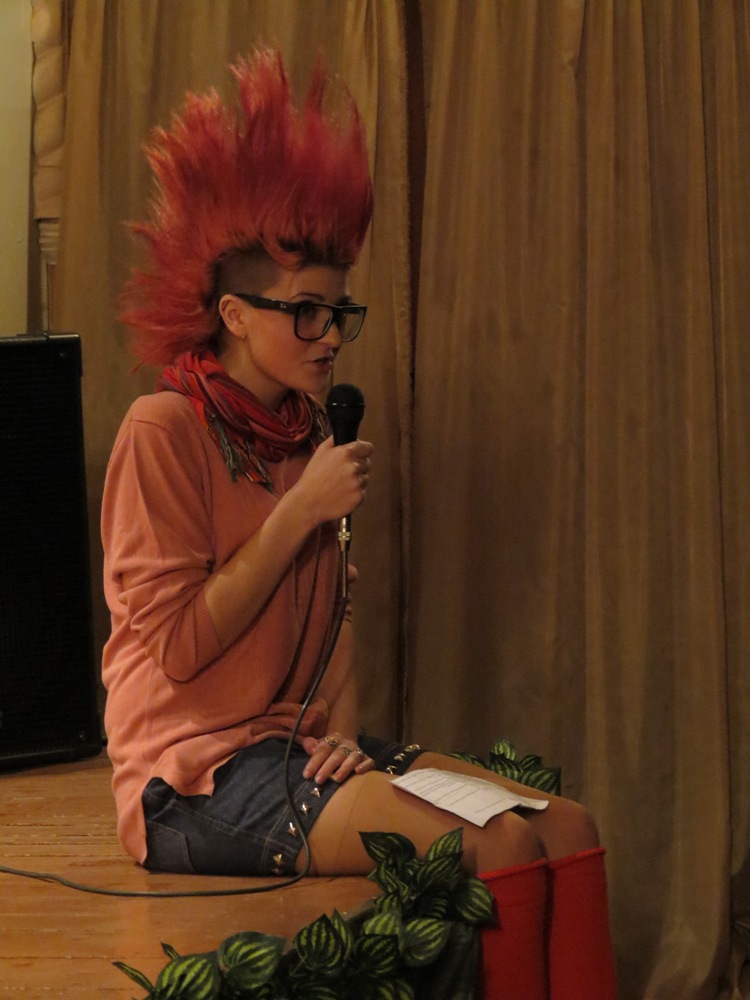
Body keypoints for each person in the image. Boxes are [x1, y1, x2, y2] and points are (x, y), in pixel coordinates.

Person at [102, 48, 617, 999]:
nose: (331, 334)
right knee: (501, 847)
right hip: (195, 781)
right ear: (232, 314)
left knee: (567, 825)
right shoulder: (161, 431)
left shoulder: (308, 433)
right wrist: (299, 511)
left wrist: (340, 729)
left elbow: (336, 611)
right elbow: (175, 648)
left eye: (339, 311)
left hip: (294, 749)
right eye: (306, 312)